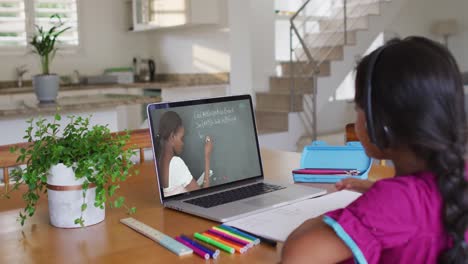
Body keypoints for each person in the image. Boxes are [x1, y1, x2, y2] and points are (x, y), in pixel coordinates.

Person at [281, 36, 468, 264]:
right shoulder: (457, 178)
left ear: (381, 123)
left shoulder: (396, 202)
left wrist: (351, 214)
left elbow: (296, 257)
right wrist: (376, 192)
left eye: (357, 107)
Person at [154, 111, 213, 196]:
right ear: (172, 136)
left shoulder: (159, 158)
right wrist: (207, 156)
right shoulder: (175, 163)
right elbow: (203, 196)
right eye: (182, 138)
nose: (183, 143)